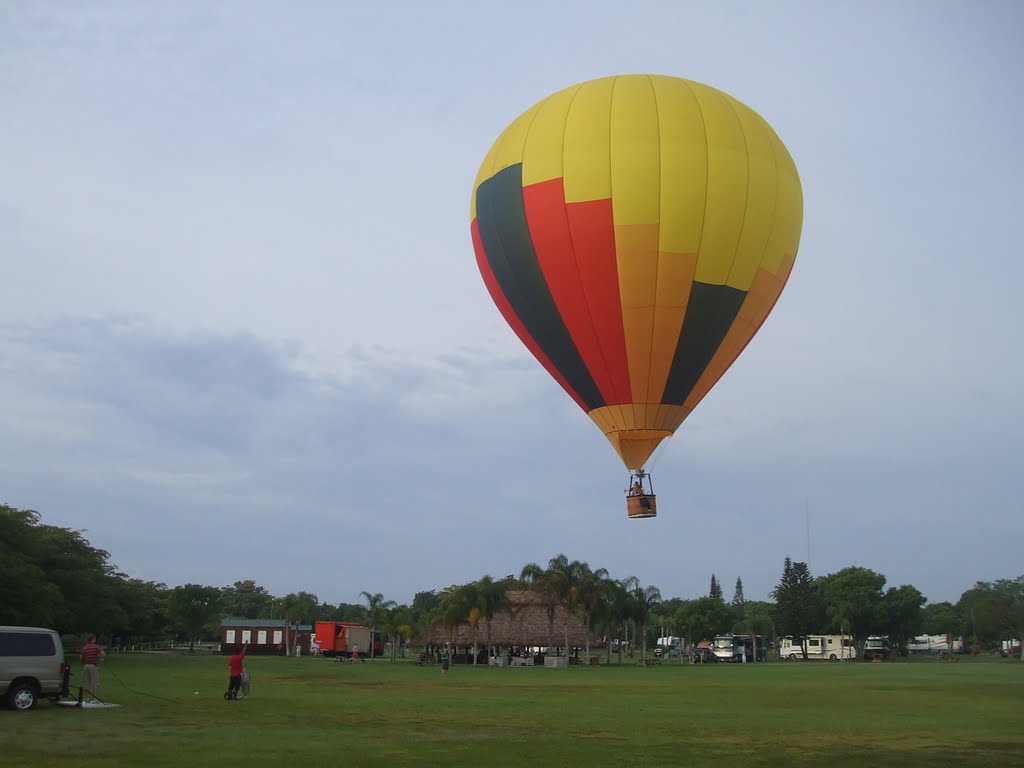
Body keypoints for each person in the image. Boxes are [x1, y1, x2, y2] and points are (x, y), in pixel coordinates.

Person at [80, 634, 105, 702]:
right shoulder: (96, 647)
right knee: (94, 682)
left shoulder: (85, 647)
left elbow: (81, 657)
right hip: (93, 666)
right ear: (93, 639)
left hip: (86, 666)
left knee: (86, 682)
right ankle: (94, 698)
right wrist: (99, 658)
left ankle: (85, 698)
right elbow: (103, 654)